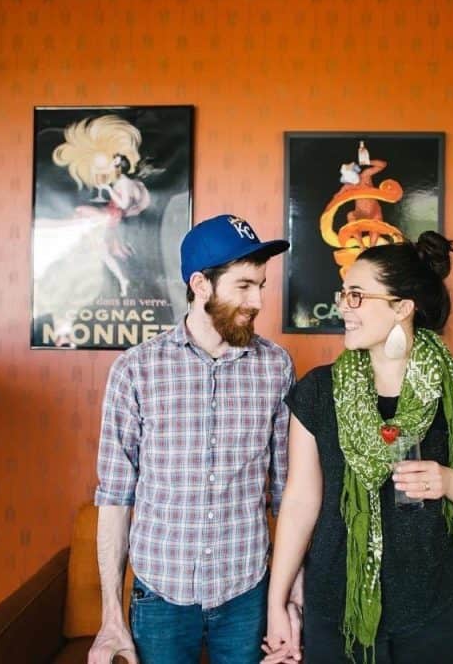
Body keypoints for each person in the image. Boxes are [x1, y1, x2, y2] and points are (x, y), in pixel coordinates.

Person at [263, 232, 453, 663]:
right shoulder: (319, 391)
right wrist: (277, 603)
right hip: (336, 606)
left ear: (402, 307)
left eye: (357, 296)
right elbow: (302, 501)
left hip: (440, 606)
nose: (343, 305)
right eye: (343, 294)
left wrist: (448, 480)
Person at [88, 214, 297, 664]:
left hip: (245, 591)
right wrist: (110, 615)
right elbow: (115, 496)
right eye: (244, 286)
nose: (258, 300)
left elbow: (288, 494)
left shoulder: (276, 367)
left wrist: (291, 600)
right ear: (201, 285)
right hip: (161, 592)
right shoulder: (135, 370)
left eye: (260, 285)